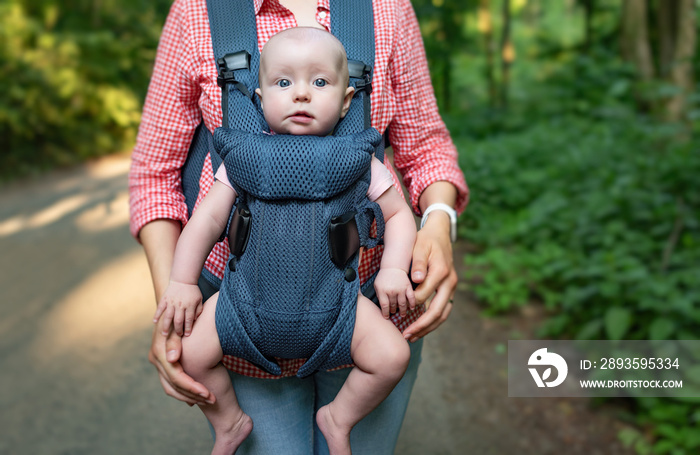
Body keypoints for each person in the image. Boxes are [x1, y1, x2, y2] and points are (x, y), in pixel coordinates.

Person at [129, 0, 469, 453]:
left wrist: (437, 225)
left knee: (388, 361)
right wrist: (176, 287)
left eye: (320, 82)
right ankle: (231, 423)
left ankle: (339, 419)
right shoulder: (198, 13)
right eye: (284, 83)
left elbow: (421, 154)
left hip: (360, 303)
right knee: (199, 358)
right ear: (258, 93)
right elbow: (164, 182)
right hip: (243, 310)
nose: (302, 95)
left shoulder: (387, 11)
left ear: (348, 97)